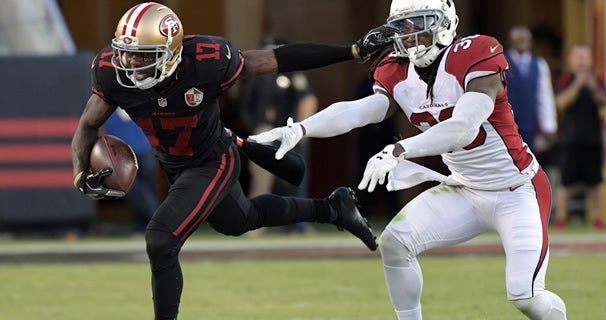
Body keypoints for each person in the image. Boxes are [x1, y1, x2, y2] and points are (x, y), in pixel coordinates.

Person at [71, 2, 396, 319]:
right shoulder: (112, 74)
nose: (129, 62)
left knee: (160, 238)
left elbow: (279, 59)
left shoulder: (206, 61)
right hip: (175, 164)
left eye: (141, 55)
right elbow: (88, 124)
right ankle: (333, 208)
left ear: (170, 54)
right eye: (125, 52)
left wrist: (351, 52)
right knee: (241, 219)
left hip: (213, 158)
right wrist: (80, 174)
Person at [249, 0, 567, 318]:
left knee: (525, 296)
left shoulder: (474, 54)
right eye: (403, 26)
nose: (410, 34)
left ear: (445, 23)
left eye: (419, 23)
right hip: (465, 189)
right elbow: (358, 110)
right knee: (395, 243)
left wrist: (400, 149)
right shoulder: (398, 68)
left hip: (516, 189)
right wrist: (301, 129)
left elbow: (463, 128)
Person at [239, 36, 319, 234]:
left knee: (294, 179)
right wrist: (256, 125)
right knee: (260, 179)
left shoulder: (293, 73)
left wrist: (301, 130)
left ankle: (298, 223)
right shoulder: (255, 77)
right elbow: (245, 106)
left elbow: (307, 99)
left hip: (289, 132)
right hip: (264, 133)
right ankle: (255, 224)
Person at [553, 43, 606, 231]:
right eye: (578, 57)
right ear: (571, 60)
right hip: (570, 138)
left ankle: (597, 218)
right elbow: (561, 104)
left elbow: (604, 102)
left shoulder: (598, 80)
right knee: (565, 182)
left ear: (590, 59)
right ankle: (561, 218)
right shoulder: (565, 80)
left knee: (594, 182)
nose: (582, 61)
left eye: (585, 57)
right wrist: (578, 83)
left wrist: (592, 87)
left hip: (592, 138)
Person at [103, 107, 159, 234]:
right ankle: (155, 221)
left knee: (147, 188)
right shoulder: (107, 108)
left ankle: (145, 224)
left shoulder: (133, 101)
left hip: (142, 149)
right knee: (134, 189)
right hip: (123, 153)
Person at [505, 25, 557, 154]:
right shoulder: (501, 62)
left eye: (525, 39)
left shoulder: (539, 64)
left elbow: (544, 96)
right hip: (506, 123)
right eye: (518, 39)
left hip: (529, 123)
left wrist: (549, 125)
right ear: (511, 42)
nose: (522, 42)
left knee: (528, 160)